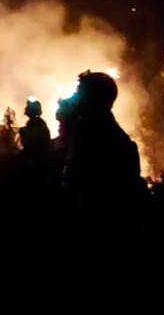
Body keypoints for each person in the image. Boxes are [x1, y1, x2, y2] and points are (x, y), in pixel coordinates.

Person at [56, 71, 145, 211]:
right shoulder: (121, 144)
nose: (73, 99)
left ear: (91, 100)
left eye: (78, 93)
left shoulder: (103, 143)